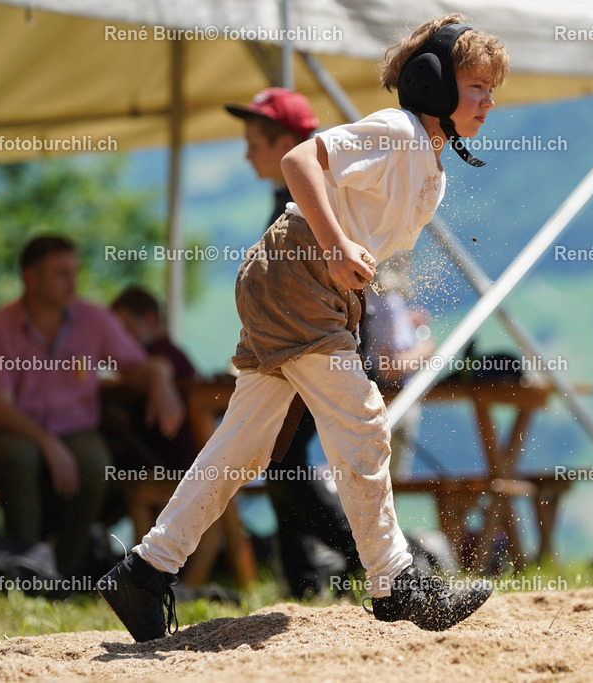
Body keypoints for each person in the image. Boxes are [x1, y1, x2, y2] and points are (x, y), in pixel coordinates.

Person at [99, 15, 509, 641]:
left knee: (245, 444)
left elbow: (364, 234)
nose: (487, 101)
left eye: (491, 90)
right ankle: (394, 580)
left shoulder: (430, 165)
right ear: (433, 83)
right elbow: (299, 160)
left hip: (309, 286)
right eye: (476, 86)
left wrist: (352, 270)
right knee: (362, 420)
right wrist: (338, 244)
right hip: (297, 275)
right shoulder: (397, 131)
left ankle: (144, 570)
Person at [0, 236, 185, 580]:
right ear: (30, 277)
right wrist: (48, 443)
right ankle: (24, 570)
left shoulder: (94, 319)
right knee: (21, 456)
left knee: (94, 461)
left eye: (75, 272)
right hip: (8, 432)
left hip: (74, 430)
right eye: (61, 274)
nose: (73, 283)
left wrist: (160, 377)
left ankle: (69, 574)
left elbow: (136, 366)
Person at [225, 86, 363, 598]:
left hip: (316, 349)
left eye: (254, 144)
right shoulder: (299, 197)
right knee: (281, 459)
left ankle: (369, 557)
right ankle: (305, 580)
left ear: (285, 143)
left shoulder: (308, 201)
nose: (246, 155)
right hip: (306, 348)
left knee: (281, 463)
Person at [107, 285, 199, 474]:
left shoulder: (165, 352)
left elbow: (160, 365)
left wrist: (158, 378)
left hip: (167, 464)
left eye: (126, 328)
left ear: (150, 319)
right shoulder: (152, 354)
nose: (120, 339)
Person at [363, 254, 434, 479]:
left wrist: (404, 318)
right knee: (393, 481)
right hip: (394, 399)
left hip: (373, 399)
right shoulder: (388, 302)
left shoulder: (371, 297)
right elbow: (389, 369)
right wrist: (424, 351)